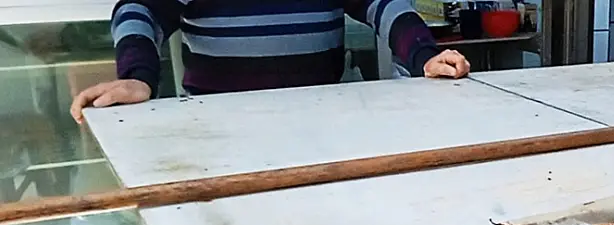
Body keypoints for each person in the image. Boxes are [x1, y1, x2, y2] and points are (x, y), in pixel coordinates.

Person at [71, 0, 471, 123]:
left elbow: (384, 5)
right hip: (218, 133)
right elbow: (137, 10)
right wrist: (138, 76)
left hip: (323, 126)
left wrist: (425, 55)